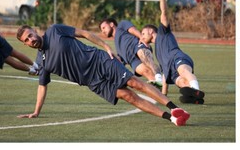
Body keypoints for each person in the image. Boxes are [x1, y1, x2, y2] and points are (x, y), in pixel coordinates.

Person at [15, 24, 190, 126]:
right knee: (129, 97)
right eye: (27, 40)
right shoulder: (42, 61)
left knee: (135, 83)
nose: (31, 40)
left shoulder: (55, 31)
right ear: (25, 44)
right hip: (93, 82)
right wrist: (36, 112)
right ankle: (172, 119)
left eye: (30, 35)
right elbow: (42, 86)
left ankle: (173, 107)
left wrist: (105, 47)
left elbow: (84, 34)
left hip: (100, 61)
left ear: (35, 31)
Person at [140, 0, 205, 104]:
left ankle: (196, 91)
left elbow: (163, 12)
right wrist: (163, 95)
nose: (142, 37)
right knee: (181, 82)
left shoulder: (163, 32)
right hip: (170, 69)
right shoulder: (158, 52)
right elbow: (165, 73)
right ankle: (194, 98)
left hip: (178, 58)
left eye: (143, 34)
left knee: (184, 72)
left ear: (150, 31)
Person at [99, 18, 163, 87]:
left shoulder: (121, 25)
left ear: (111, 24)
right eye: (102, 30)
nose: (103, 31)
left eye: (104, 27)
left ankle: (159, 77)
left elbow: (133, 30)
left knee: (146, 59)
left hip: (137, 46)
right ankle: (159, 91)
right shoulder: (116, 43)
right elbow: (121, 60)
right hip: (132, 61)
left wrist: (141, 37)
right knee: (147, 72)